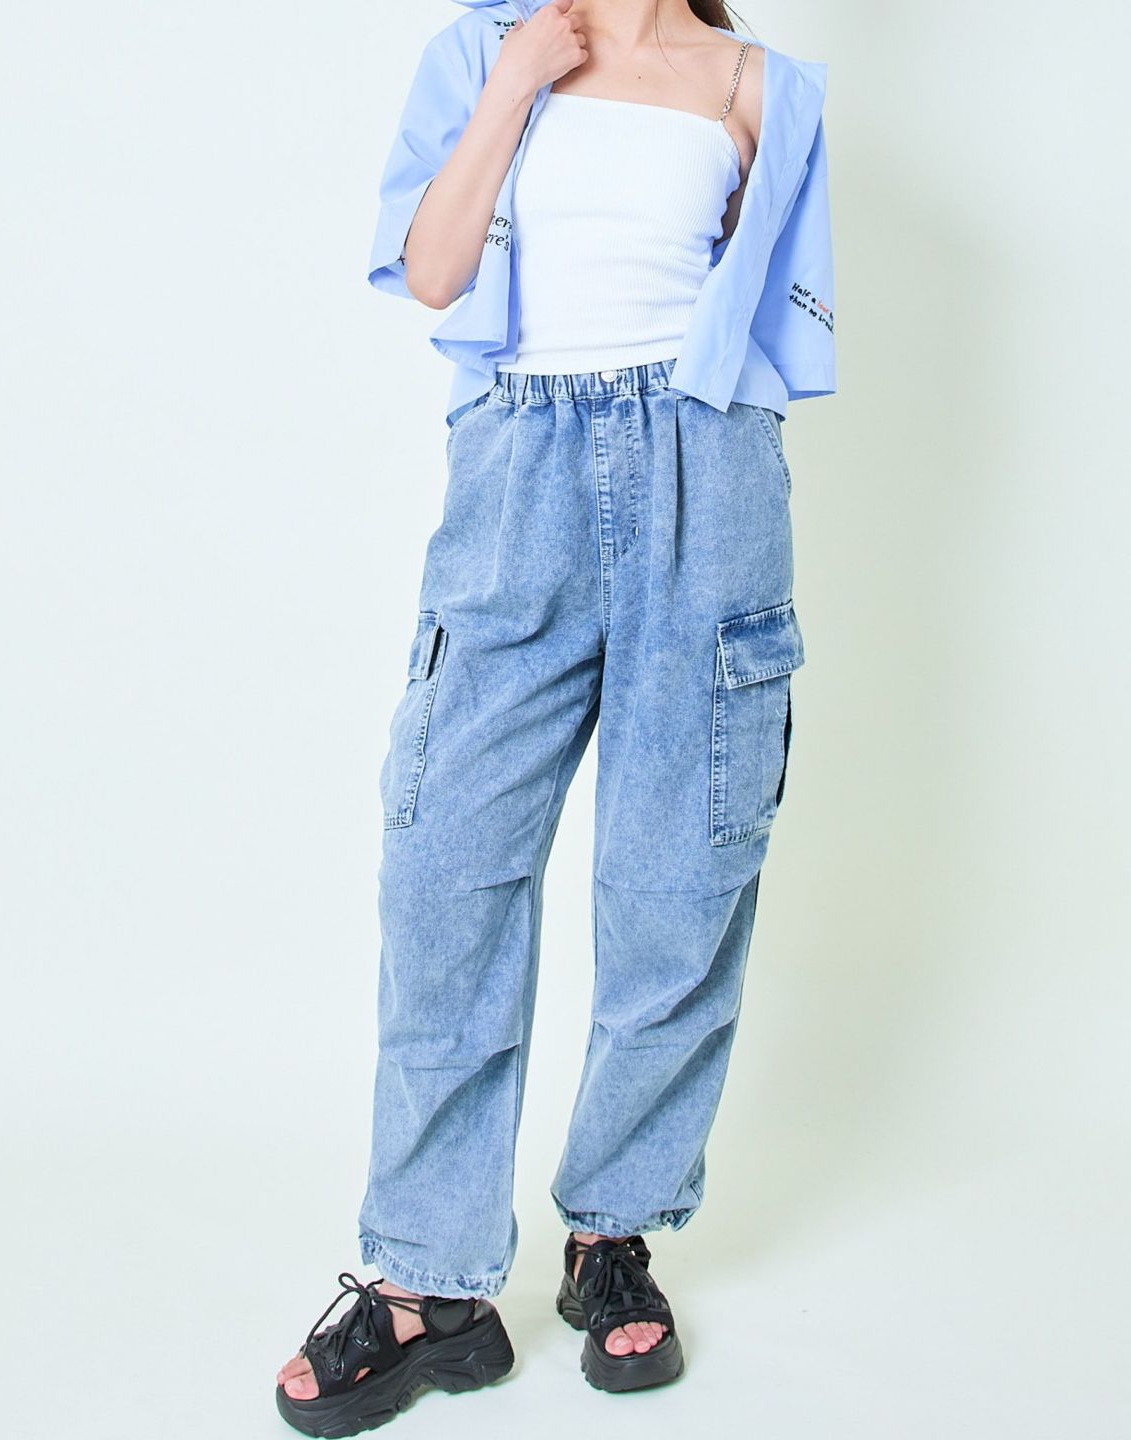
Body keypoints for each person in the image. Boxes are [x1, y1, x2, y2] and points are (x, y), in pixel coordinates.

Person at [276, 1, 835, 1433]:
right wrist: (522, 76)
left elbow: (768, 327)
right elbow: (434, 271)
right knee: (447, 871)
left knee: (678, 882)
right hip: (518, 470)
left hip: (707, 476)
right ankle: (428, 1282)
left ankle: (614, 1232)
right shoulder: (486, 48)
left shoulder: (762, 85)